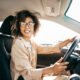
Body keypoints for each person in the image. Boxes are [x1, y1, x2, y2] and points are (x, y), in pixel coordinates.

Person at [10, 10, 75, 80]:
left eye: (30, 24)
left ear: (34, 26)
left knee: (64, 72)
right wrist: (51, 69)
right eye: (23, 23)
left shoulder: (30, 42)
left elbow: (46, 48)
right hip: (24, 78)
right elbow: (26, 73)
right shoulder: (18, 44)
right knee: (65, 78)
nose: (27, 27)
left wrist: (68, 41)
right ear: (18, 26)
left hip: (31, 76)